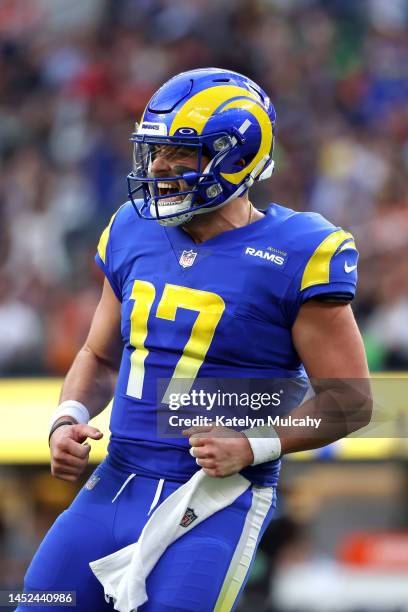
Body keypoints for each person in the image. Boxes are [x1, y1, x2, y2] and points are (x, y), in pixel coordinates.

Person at [18, 68, 371, 612]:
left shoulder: (298, 249)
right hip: (114, 484)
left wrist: (253, 443)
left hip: (212, 499)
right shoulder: (133, 229)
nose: (158, 168)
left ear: (237, 156)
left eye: (180, 154)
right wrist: (68, 415)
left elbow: (351, 400)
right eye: (154, 152)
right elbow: (99, 356)